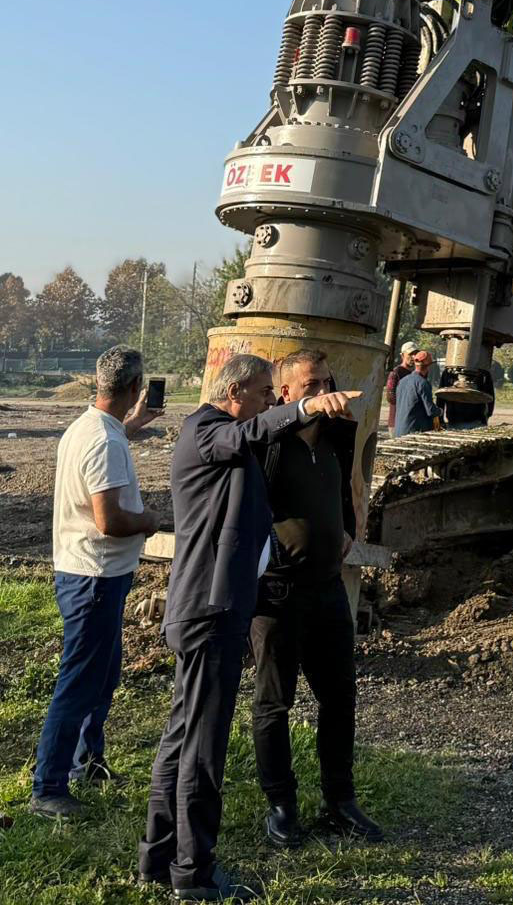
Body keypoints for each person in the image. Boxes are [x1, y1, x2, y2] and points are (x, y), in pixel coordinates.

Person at [137, 354, 360, 903]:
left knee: (180, 741)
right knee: (201, 750)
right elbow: (257, 430)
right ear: (235, 392)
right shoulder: (208, 432)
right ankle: (194, 874)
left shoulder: (220, 432)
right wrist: (304, 404)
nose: (268, 402)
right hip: (210, 610)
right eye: (265, 392)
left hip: (212, 607)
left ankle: (158, 857)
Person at [249, 349, 382, 847]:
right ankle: (282, 806)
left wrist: (348, 528)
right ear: (285, 394)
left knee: (340, 696)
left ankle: (340, 801)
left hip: (327, 587)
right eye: (310, 385)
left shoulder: (334, 436)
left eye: (326, 381)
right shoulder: (266, 440)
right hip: (278, 594)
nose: (323, 392)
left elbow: (350, 484)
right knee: (273, 702)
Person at [29, 346, 163, 820]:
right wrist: (148, 520)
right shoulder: (104, 441)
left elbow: (104, 452)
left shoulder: (90, 427)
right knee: (80, 681)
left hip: (89, 572)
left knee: (102, 675)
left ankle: (88, 761)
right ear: (133, 387)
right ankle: (48, 786)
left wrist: (136, 425)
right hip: (94, 577)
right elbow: (108, 520)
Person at [393, 350, 440, 437]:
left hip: (399, 431)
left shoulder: (402, 381)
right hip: (413, 433)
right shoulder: (423, 383)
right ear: (428, 367)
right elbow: (431, 411)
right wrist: (440, 411)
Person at [384, 341, 418, 433]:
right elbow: (391, 398)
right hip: (397, 422)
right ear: (402, 355)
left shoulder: (414, 374)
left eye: (415, 354)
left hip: (410, 421)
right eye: (410, 354)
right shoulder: (396, 373)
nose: (413, 357)